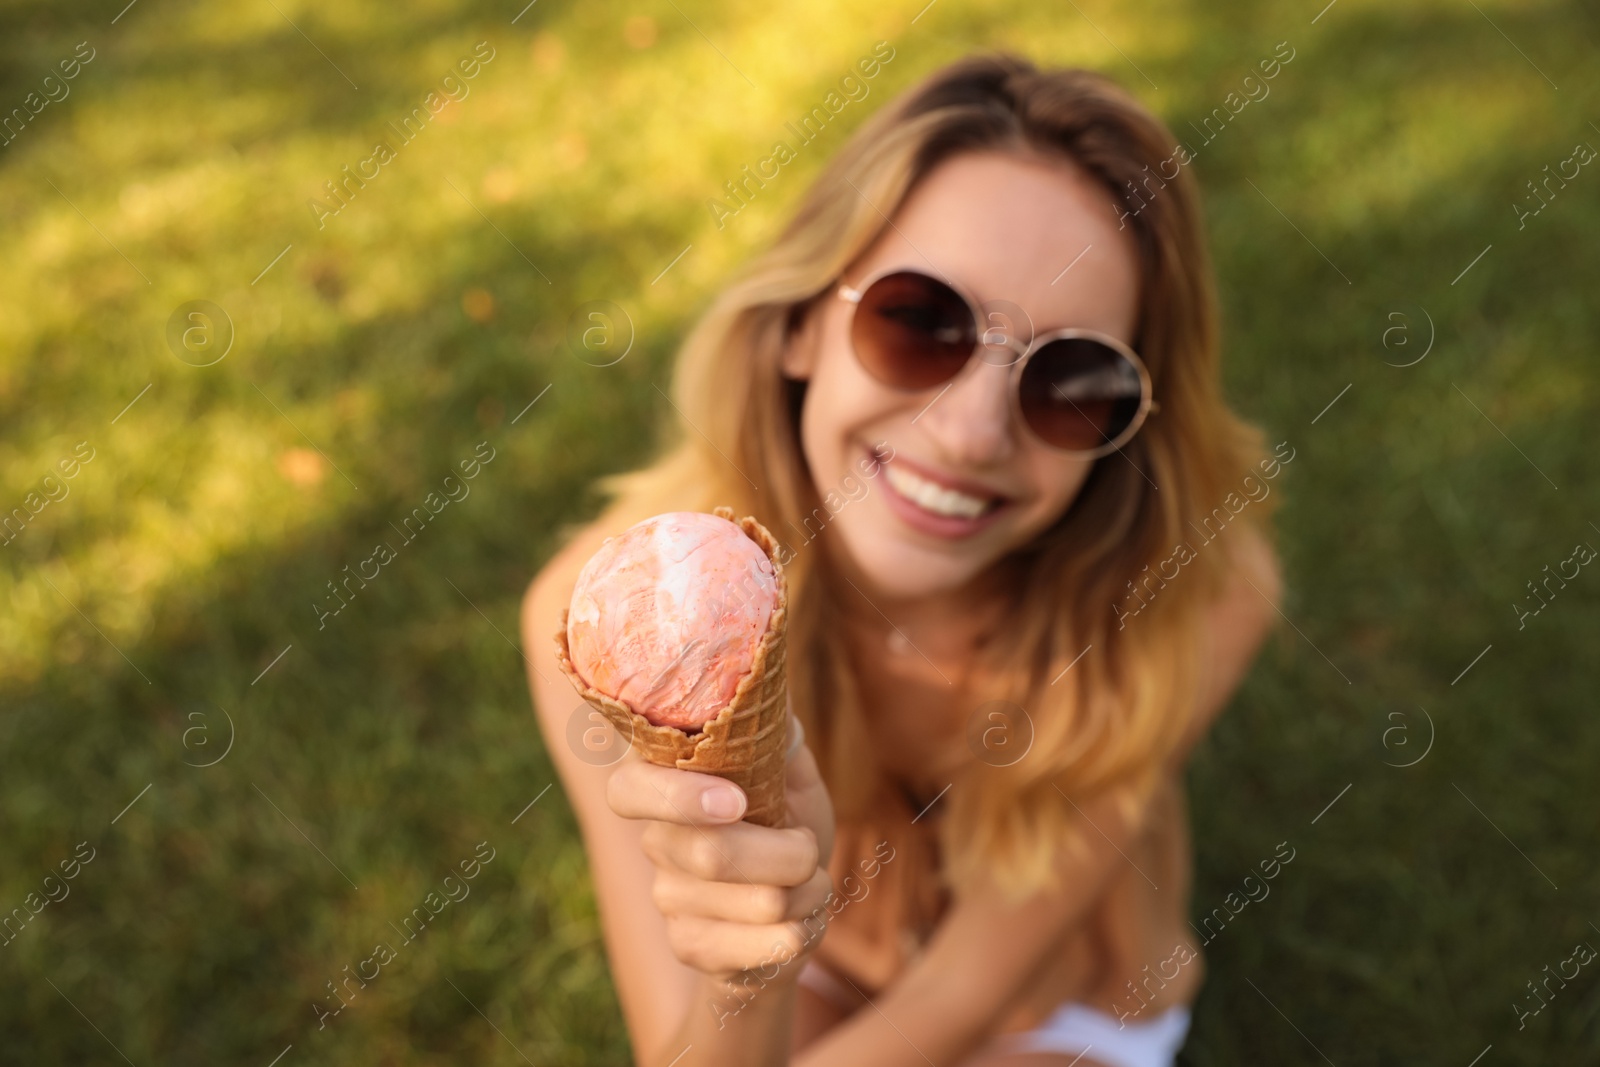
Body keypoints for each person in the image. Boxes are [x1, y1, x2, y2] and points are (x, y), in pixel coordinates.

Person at [521, 51, 1283, 1067]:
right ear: (798, 323)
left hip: (1059, 1004)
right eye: (920, 322)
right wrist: (750, 967)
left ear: (1129, 431)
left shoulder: (1195, 592)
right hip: (829, 961)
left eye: (1072, 377)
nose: (971, 432)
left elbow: (969, 990)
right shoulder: (614, 635)